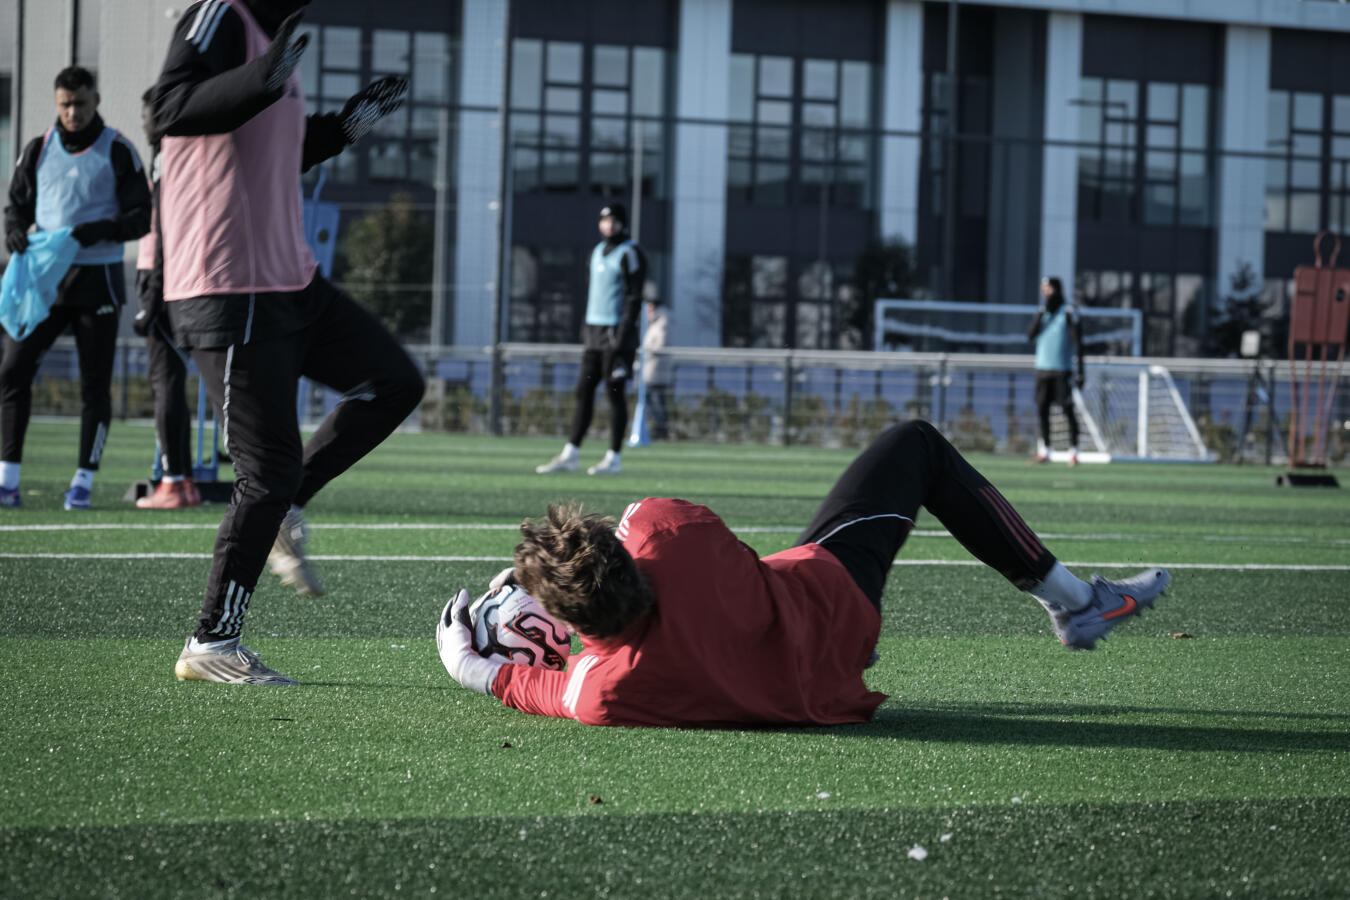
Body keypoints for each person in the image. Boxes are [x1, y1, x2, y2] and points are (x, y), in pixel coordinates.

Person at [437, 419, 1171, 727]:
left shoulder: (602, 689)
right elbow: (629, 532)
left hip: (820, 681)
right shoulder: (665, 528)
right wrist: (529, 572)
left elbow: (518, 684)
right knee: (915, 444)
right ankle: (1074, 601)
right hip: (832, 610)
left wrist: (466, 661)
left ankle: (1075, 603)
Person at [150, 0, 425, 684]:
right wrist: (264, 76)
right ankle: (211, 642)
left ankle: (289, 503)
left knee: (394, 383)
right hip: (227, 284)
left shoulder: (276, 43)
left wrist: (346, 125)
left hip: (290, 280)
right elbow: (169, 109)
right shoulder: (219, 16)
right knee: (264, 474)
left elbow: (279, 150)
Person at [1, 66, 152, 509]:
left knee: (94, 385)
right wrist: (14, 230)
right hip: (45, 281)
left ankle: (83, 482)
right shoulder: (37, 149)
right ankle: (7, 480)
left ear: (96, 100)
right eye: (65, 104)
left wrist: (96, 231)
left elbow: (141, 218)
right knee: (12, 371)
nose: (73, 112)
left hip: (97, 281)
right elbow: (16, 206)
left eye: (80, 103)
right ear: (56, 103)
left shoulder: (119, 149)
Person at [536, 203, 646, 476]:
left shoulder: (630, 252)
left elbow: (634, 298)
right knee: (583, 392)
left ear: (622, 223)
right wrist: (585, 328)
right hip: (594, 334)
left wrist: (622, 335)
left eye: (613, 220)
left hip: (615, 335)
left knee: (615, 395)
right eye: (604, 220)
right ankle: (571, 454)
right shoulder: (597, 251)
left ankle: (613, 458)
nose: (608, 225)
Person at [133, 91, 200, 510]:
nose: (146, 123)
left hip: (162, 276)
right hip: (183, 275)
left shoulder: (166, 156)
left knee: (166, 381)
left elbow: (163, 233)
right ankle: (185, 479)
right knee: (175, 379)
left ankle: (173, 483)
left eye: (149, 116)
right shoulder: (186, 155)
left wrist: (153, 292)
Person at [1025, 276, 1085, 465]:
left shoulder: (1068, 312)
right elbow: (1030, 335)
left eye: (1048, 288)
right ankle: (1045, 450)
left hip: (1061, 370)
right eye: (1043, 288)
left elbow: (1078, 343)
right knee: (1042, 409)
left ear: (1056, 289)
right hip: (1042, 369)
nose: (1045, 292)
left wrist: (1080, 370)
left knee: (1067, 409)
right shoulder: (1043, 312)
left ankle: (1074, 451)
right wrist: (1040, 315)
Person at [640, 297, 671, 440]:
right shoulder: (655, 323)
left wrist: (645, 354)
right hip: (651, 370)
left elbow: (659, 346)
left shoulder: (662, 324)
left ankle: (660, 430)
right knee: (654, 401)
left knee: (657, 402)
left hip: (656, 371)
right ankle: (658, 429)